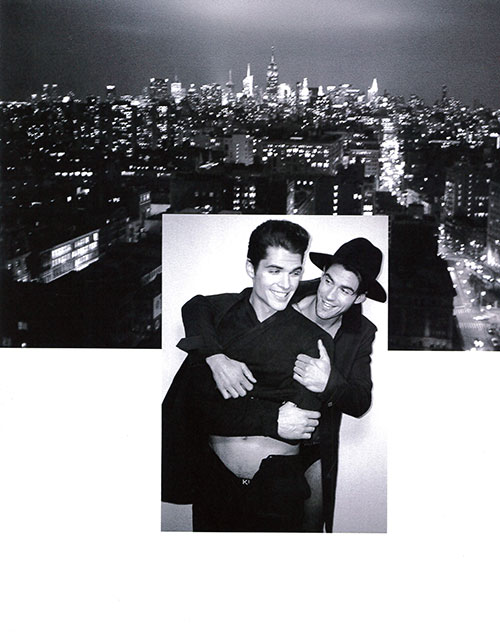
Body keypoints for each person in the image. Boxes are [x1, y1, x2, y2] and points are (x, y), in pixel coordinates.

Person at [172, 236, 387, 532]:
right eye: (328, 281)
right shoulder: (285, 292)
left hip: (308, 443)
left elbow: (360, 401)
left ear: (359, 298)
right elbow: (201, 307)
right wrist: (215, 356)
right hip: (236, 436)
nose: (330, 295)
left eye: (345, 290)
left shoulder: (359, 333)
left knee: (308, 529)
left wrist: (329, 382)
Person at [162, 220, 336, 531]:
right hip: (214, 482)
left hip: (278, 488)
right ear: (250, 268)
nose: (286, 284)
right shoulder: (218, 319)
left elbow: (300, 426)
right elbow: (196, 408)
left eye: (295, 272)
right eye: (275, 271)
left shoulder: (313, 341)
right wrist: (216, 358)